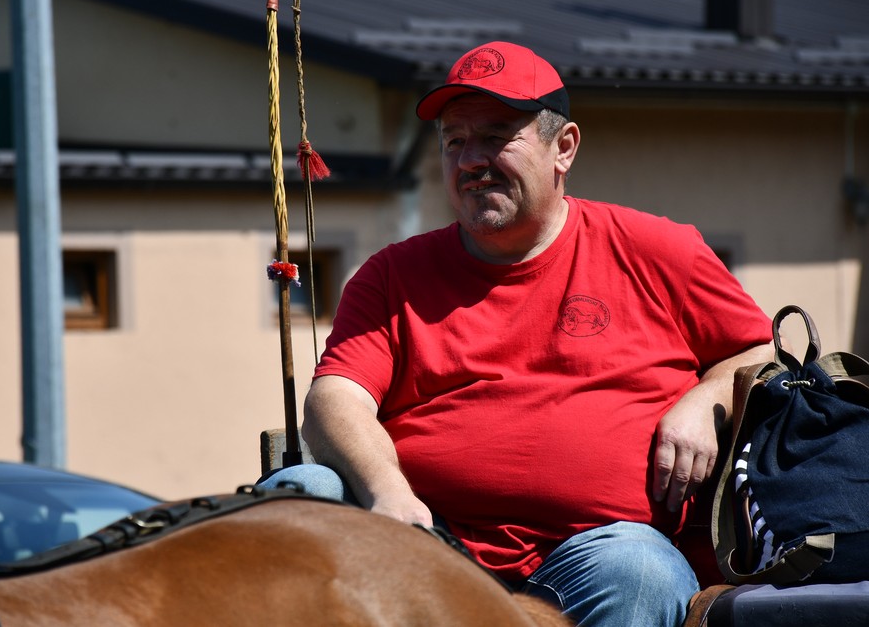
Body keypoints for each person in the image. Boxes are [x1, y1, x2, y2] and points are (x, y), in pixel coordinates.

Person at [260, 41, 774, 626]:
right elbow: (336, 397)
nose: (471, 160)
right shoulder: (390, 276)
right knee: (301, 490)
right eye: (455, 141)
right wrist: (388, 493)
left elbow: (758, 354)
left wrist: (706, 398)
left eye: (498, 136)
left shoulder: (659, 250)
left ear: (565, 147)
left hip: (599, 558)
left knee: (641, 574)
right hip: (427, 550)